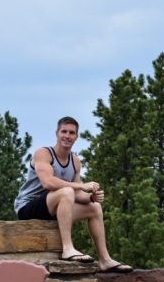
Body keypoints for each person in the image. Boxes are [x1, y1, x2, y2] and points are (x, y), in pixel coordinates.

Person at [14, 116, 133, 273]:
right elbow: (48, 183)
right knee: (66, 192)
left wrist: (90, 197)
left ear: (76, 136)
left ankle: (105, 260)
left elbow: (77, 194)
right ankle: (68, 249)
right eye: (64, 131)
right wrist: (81, 185)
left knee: (95, 207)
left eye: (71, 133)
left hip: (55, 207)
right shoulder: (43, 154)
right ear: (57, 133)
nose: (67, 136)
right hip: (28, 208)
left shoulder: (75, 161)